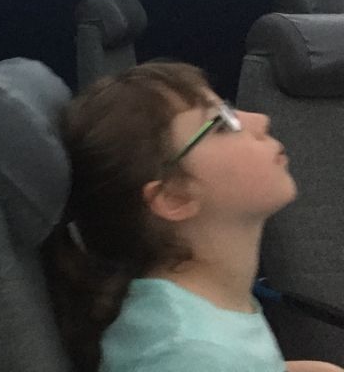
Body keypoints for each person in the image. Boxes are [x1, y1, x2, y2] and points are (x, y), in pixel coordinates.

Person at [46, 61, 342, 372]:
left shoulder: (201, 309)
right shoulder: (188, 352)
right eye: (222, 124)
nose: (261, 120)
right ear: (175, 197)